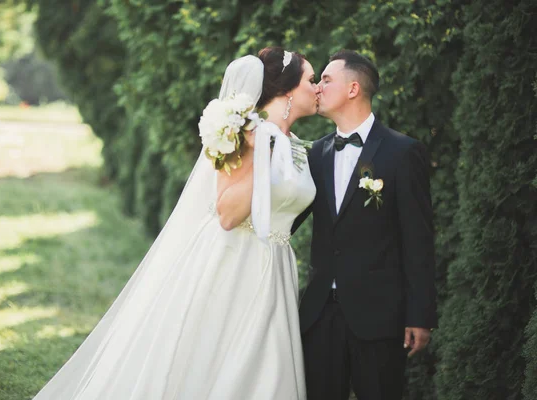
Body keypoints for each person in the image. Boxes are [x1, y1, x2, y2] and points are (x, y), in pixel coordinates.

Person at [33, 47, 319, 400]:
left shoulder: (297, 146)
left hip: (275, 264)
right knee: (220, 361)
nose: (317, 87)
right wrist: (264, 155)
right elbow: (227, 214)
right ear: (289, 90)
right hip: (237, 263)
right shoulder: (250, 135)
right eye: (311, 79)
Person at [292, 50, 438, 400]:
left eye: (326, 80)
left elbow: (418, 239)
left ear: (353, 88)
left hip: (379, 317)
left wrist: (420, 314)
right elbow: (289, 217)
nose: (318, 88)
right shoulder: (315, 153)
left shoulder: (403, 152)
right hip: (319, 315)